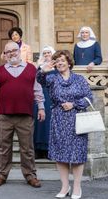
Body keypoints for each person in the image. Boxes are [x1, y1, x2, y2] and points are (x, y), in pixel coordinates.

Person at [0, 41, 45, 188]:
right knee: (3, 147)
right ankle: (1, 175)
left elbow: (37, 90)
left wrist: (41, 107)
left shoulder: (31, 69)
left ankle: (30, 175)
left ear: (19, 51)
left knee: (27, 148)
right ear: (5, 55)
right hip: (4, 115)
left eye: (14, 50)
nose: (12, 53)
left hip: (25, 115)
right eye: (8, 51)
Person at [37, 50, 92, 199]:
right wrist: (43, 70)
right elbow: (40, 81)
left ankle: (77, 187)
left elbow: (89, 98)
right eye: (57, 61)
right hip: (59, 120)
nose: (60, 63)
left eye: (63, 60)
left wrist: (74, 104)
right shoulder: (52, 79)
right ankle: (64, 186)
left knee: (77, 155)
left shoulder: (80, 79)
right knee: (60, 155)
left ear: (69, 62)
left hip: (77, 120)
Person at [34, 45, 56, 159]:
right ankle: (38, 149)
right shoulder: (39, 68)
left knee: (49, 123)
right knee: (39, 122)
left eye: (49, 53)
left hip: (52, 97)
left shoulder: (57, 67)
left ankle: (48, 149)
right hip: (40, 96)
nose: (47, 55)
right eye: (45, 53)